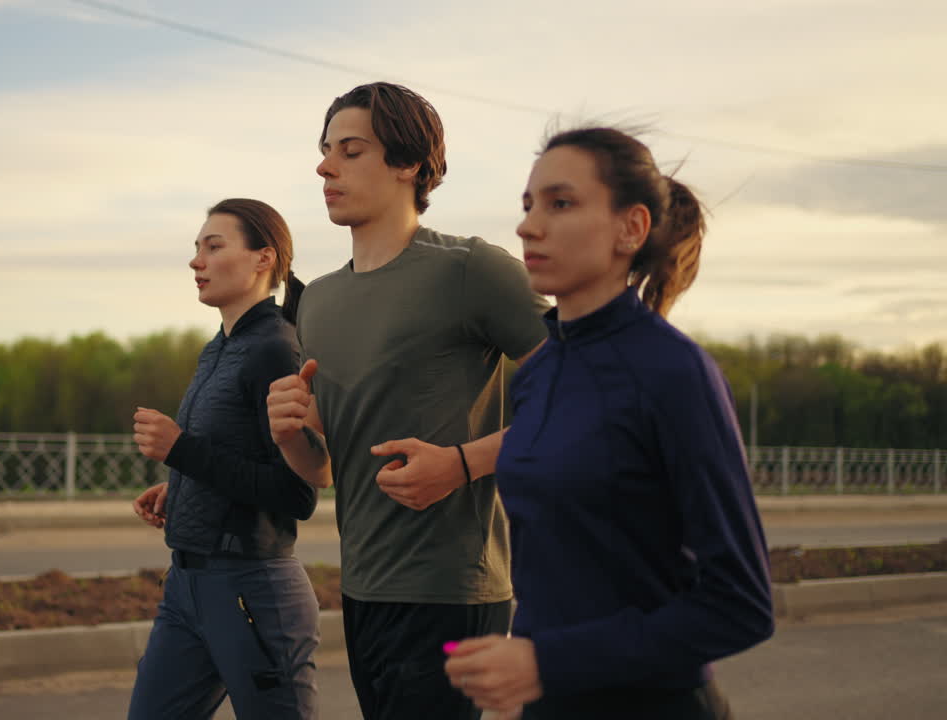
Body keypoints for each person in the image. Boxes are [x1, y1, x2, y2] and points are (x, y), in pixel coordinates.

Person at [444, 127, 775, 719]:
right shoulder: (538, 377)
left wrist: (549, 661)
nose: (528, 225)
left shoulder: (675, 371)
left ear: (632, 228)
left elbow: (741, 603)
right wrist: (522, 661)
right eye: (527, 205)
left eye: (560, 203)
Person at [266, 82, 549, 719]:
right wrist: (291, 435)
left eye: (350, 150)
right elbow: (329, 469)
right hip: (363, 588)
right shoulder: (317, 302)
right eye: (324, 150)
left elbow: (582, 397)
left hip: (453, 591)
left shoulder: (471, 270)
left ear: (408, 164)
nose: (324, 166)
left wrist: (462, 463)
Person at [127, 198, 320, 720]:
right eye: (197, 249)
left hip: (252, 590)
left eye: (214, 247)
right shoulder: (217, 349)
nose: (197, 261)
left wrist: (180, 450)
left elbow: (296, 493)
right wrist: (182, 485)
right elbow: (233, 453)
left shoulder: (276, 349)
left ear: (263, 259)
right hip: (186, 586)